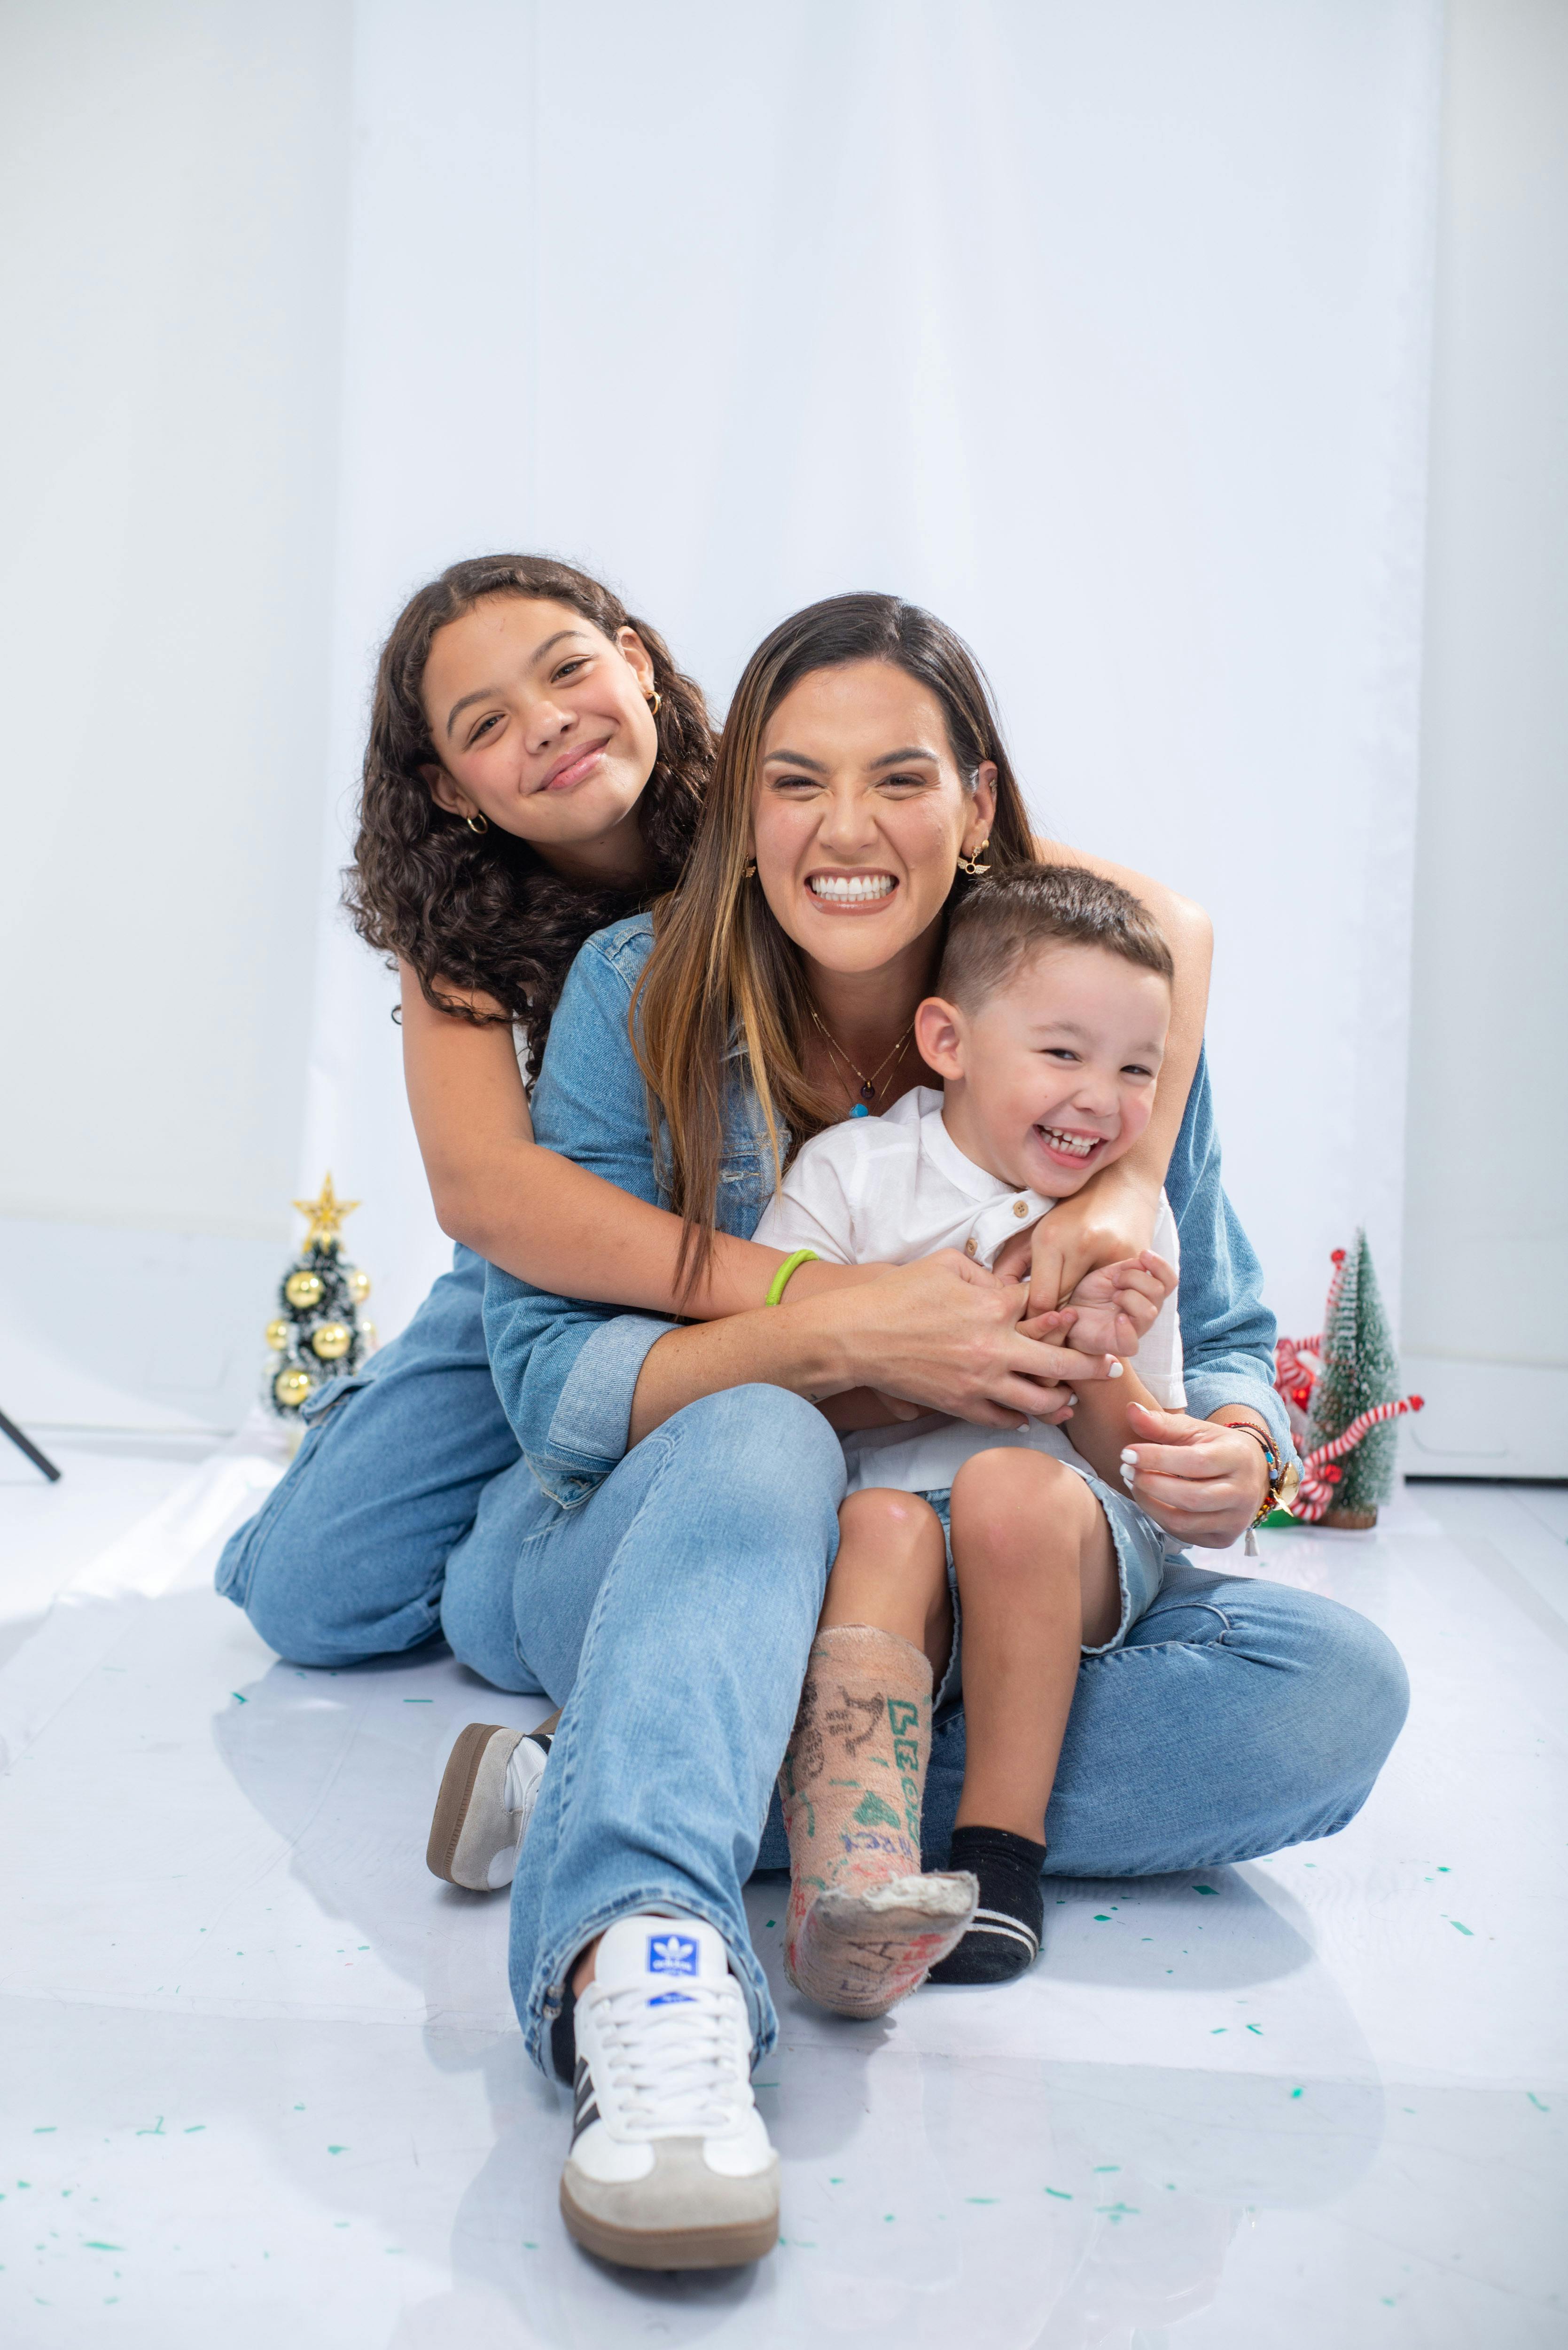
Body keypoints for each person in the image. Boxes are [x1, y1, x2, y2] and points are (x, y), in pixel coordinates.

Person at [222, 585, 1406, 2274]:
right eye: (797, 784)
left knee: (1331, 1702)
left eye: (901, 782)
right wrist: (835, 1335)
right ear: (743, 804)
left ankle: (628, 1768)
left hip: (972, 1568)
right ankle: (643, 1948)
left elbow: (1212, 1320)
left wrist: (1229, 1441)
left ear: (977, 806)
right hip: (672, 1514)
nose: (845, 830)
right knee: (765, 1442)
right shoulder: (635, 987)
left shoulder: (1098, 1005)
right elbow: (546, 1382)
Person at [758, 862, 1289, 2013]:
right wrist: (926, 1369)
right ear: (946, 1039)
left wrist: (1098, 1354)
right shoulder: (851, 1176)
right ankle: (854, 1883)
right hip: (877, 1552)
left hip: (1063, 1534)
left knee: (1009, 1490)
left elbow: (1127, 1460)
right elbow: (771, 1398)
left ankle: (1002, 1850)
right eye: (1062, 1054)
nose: (1102, 1099)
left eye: (1138, 1070)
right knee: (883, 1522)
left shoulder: (1118, 1217)